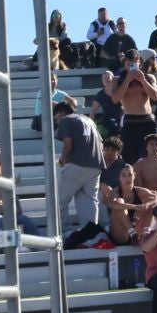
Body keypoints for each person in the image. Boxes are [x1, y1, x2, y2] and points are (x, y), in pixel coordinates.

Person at [52, 99, 105, 237]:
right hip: (95, 166)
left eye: (56, 118)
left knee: (59, 201)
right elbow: (101, 143)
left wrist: (62, 160)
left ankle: (65, 234)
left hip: (76, 164)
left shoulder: (66, 120)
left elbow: (67, 144)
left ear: (60, 114)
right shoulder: (89, 120)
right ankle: (91, 236)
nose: (56, 122)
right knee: (89, 202)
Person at [113, 56, 157, 159]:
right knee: (129, 157)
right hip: (130, 121)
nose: (131, 65)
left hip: (147, 120)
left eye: (134, 63)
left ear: (139, 63)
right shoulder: (118, 80)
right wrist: (127, 80)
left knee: (154, 154)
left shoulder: (149, 77)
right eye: (129, 63)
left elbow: (155, 96)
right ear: (125, 64)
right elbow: (115, 99)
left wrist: (143, 80)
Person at [103, 164, 157, 246]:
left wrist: (147, 205)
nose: (127, 178)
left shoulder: (140, 191)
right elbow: (112, 204)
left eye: (130, 175)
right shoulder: (114, 193)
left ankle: (146, 233)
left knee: (150, 202)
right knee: (119, 202)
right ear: (119, 178)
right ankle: (132, 233)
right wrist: (135, 207)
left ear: (134, 176)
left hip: (137, 231)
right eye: (123, 175)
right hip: (120, 235)